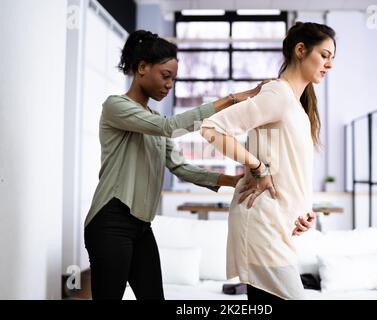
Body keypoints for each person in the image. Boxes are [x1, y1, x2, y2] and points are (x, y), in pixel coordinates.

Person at [83, 30, 268, 300]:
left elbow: (181, 167)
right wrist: (231, 98)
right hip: (111, 221)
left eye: (173, 79)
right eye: (165, 76)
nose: (169, 85)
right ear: (142, 68)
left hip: (141, 226)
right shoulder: (116, 107)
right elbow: (170, 127)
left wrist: (234, 180)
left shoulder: (153, 119)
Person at [200, 22, 336, 300]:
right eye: (325, 55)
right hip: (262, 224)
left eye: (332, 58)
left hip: (279, 227)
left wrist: (304, 211)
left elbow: (285, 165)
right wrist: (257, 167)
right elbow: (211, 128)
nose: (329, 65)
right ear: (301, 50)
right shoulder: (278, 94)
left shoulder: (295, 106)